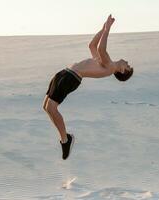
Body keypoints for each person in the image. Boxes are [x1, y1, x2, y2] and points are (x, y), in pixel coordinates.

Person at [43, 15, 133, 160]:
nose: (127, 62)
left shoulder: (110, 67)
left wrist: (108, 29)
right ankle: (65, 138)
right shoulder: (105, 63)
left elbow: (101, 48)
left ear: (122, 71)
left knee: (52, 108)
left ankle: (66, 140)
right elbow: (92, 45)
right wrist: (103, 27)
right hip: (64, 73)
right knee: (46, 107)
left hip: (70, 78)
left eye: (127, 66)